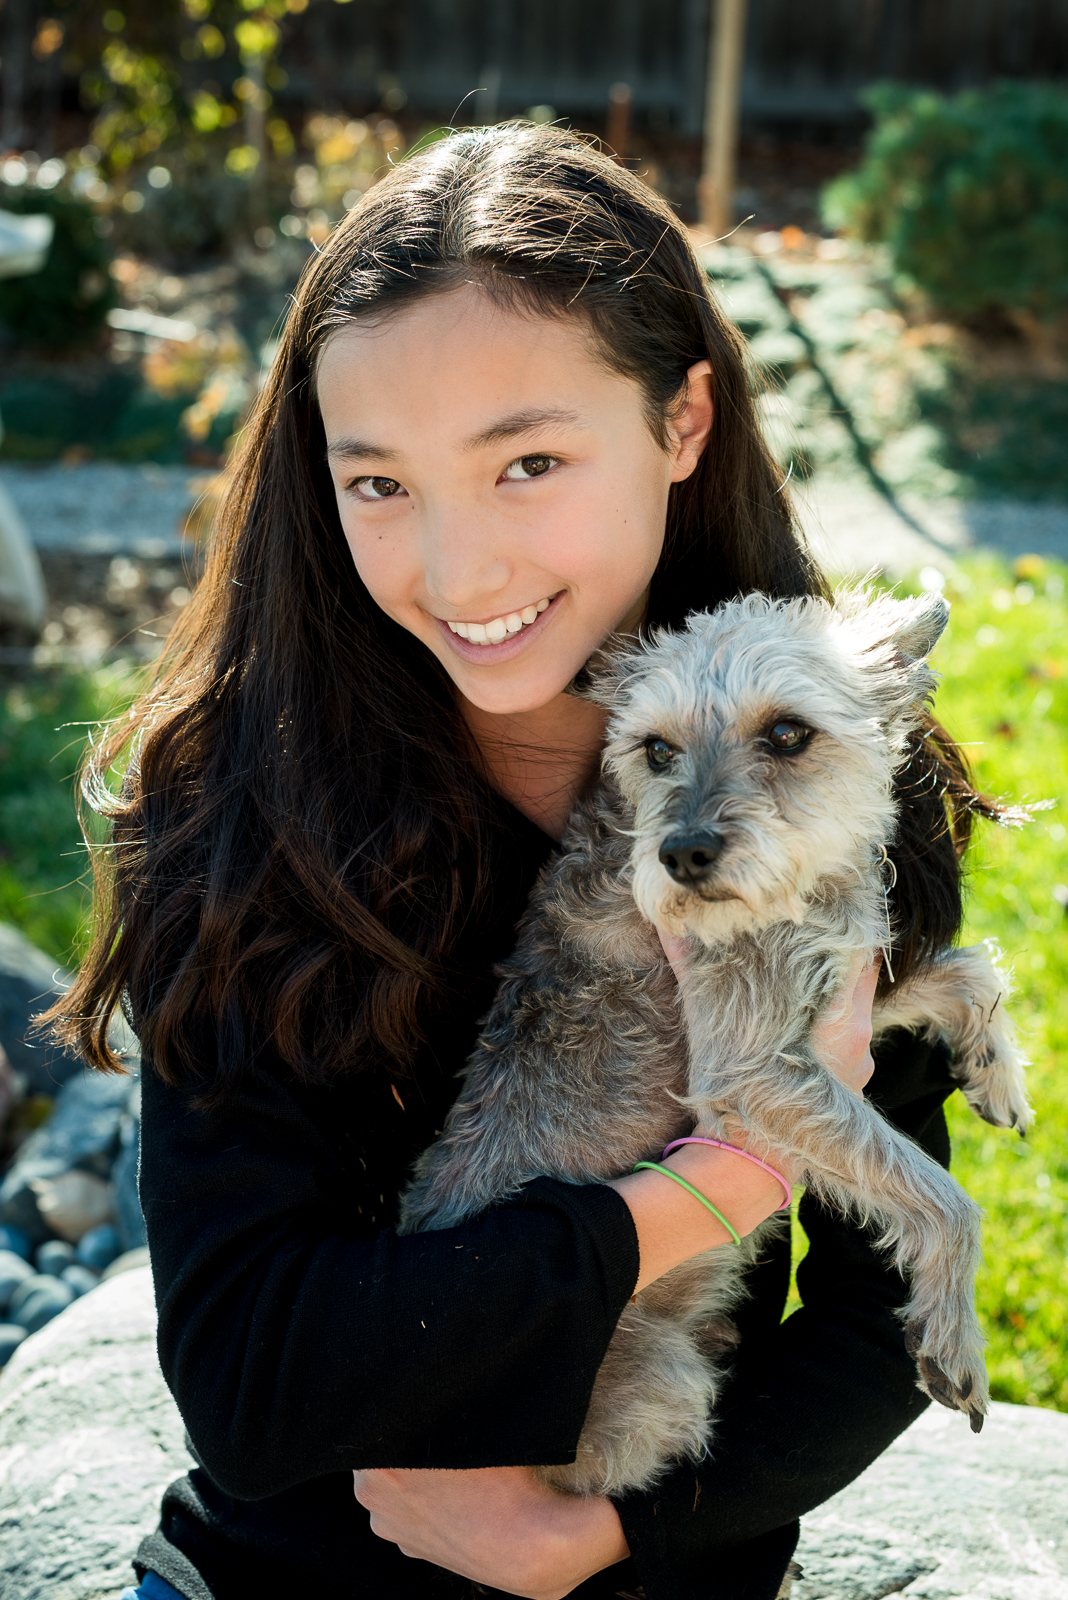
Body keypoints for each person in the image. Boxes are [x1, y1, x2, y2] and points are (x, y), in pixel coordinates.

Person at [53, 123, 992, 1600]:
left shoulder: (824, 752)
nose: (460, 568)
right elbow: (250, 1387)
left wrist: (608, 1533)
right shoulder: (245, 796)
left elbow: (887, 1313)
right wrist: (721, 1188)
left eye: (529, 462)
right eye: (380, 484)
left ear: (684, 420)